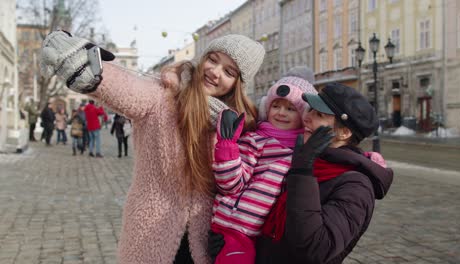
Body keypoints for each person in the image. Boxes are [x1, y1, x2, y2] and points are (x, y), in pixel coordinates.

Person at [40, 30, 265, 263]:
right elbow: (127, 88)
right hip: (150, 235)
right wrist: (91, 71)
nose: (214, 72)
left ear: (238, 84)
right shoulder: (162, 95)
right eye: (213, 59)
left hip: (206, 242)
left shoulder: (237, 124)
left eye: (229, 72)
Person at [252, 82, 394, 263]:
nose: (306, 117)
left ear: (343, 132)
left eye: (318, 114)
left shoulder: (356, 186)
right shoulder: (308, 159)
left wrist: (303, 172)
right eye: (310, 110)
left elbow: (316, 249)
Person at [210, 76, 316, 264]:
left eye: (291, 108)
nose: (281, 112)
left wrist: (367, 158)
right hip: (236, 226)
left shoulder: (305, 149)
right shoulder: (255, 140)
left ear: (304, 115)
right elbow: (230, 185)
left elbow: (334, 157)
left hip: (267, 234)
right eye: (276, 106)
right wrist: (227, 147)